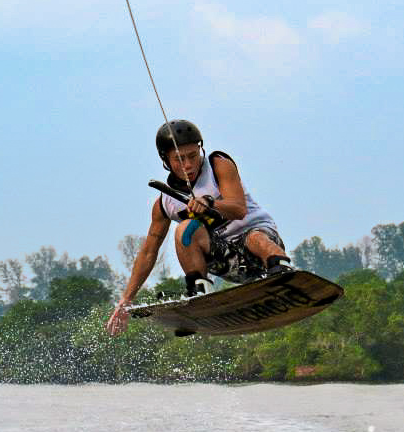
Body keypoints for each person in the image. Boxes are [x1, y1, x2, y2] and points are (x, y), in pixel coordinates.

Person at [106, 119, 292, 336]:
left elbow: (239, 209)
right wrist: (125, 300)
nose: (188, 165)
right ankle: (200, 294)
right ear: (166, 160)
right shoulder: (165, 204)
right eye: (179, 159)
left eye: (193, 156)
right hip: (226, 259)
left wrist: (211, 203)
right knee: (185, 230)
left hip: (260, 243)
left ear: (200, 149)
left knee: (254, 238)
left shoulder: (218, 165)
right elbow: (148, 252)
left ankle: (283, 272)